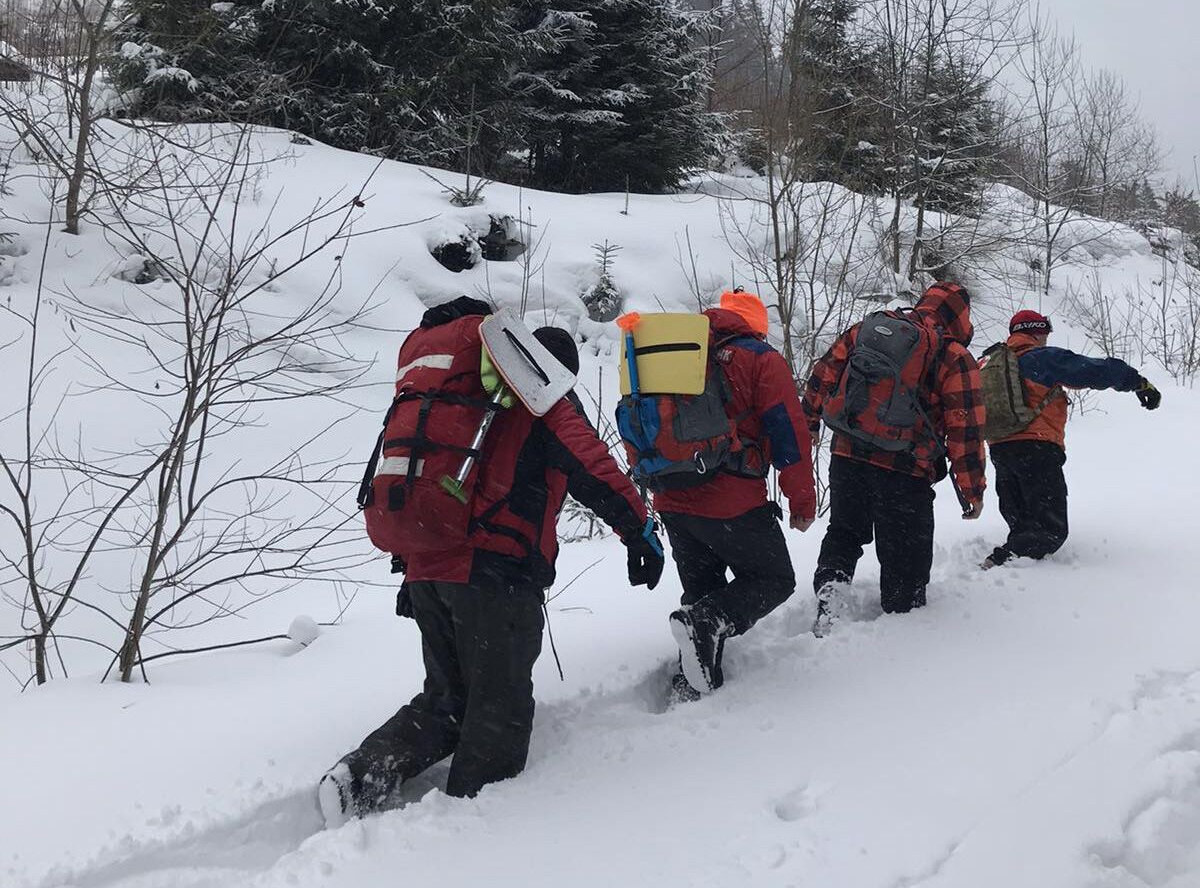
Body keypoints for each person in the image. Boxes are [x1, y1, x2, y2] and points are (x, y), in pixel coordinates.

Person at [320, 299, 662, 826]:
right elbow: (592, 466)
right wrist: (638, 531)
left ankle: (360, 778)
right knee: (496, 710)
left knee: (448, 697)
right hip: (494, 578)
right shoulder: (542, 399)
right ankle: (469, 833)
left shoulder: (468, 397)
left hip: (428, 569)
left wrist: (413, 570)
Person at [650, 290, 817, 697]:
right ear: (755, 328)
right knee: (774, 578)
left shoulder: (676, 353)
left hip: (672, 497)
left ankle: (693, 681)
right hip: (731, 499)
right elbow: (789, 436)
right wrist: (801, 500)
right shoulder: (759, 359)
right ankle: (706, 627)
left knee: (703, 592)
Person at [802, 282, 987, 635]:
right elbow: (966, 431)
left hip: (847, 454)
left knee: (844, 532)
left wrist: (809, 422)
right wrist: (972, 491)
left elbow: (824, 373)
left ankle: (831, 596)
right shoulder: (954, 356)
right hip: (905, 470)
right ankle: (899, 636)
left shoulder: (869, 329)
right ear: (960, 317)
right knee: (905, 557)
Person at [980, 309, 1161, 569]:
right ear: (1038, 332)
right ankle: (1004, 567)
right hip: (1037, 448)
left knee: (1022, 521)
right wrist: (1138, 383)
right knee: (1048, 529)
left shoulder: (987, 364)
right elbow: (1094, 370)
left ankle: (1012, 565)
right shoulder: (1040, 359)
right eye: (1045, 334)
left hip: (999, 449)